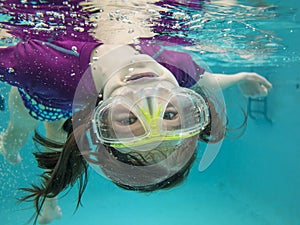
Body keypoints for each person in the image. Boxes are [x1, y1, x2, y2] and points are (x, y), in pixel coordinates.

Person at [0, 0, 272, 224]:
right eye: (170, 115)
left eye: (129, 119)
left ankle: (12, 150)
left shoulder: (41, 65)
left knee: (22, 134)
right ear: (187, 101)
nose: (148, 101)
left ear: (101, 117)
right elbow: (206, 81)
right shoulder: (173, 68)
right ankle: (51, 203)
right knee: (56, 142)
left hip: (43, 100)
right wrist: (240, 76)